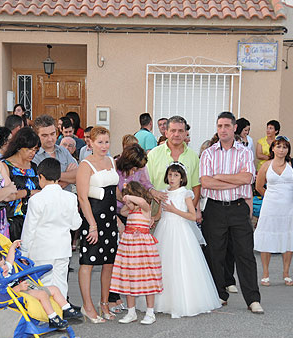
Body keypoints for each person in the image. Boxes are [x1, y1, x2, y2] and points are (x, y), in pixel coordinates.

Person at [200, 112, 263, 313]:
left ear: (235, 128)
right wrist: (233, 180)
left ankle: (253, 299)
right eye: (220, 126)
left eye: (227, 125)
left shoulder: (244, 152)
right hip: (215, 208)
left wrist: (219, 176)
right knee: (215, 253)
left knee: (245, 254)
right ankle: (219, 295)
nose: (223, 130)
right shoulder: (209, 153)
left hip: (238, 208)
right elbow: (206, 182)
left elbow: (247, 178)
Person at [154, 162, 221, 318]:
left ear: (182, 177)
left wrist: (174, 210)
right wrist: (151, 218)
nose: (172, 178)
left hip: (180, 230)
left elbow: (192, 216)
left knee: (181, 264)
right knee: (164, 264)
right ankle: (163, 301)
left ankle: (185, 301)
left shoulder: (185, 193)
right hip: (164, 229)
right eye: (170, 175)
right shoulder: (163, 193)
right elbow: (159, 215)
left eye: (176, 175)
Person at [21, 158, 82, 299]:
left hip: (41, 250)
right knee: (61, 285)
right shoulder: (70, 197)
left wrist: (24, 253)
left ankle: (47, 311)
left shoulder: (36, 200)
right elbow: (76, 224)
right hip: (62, 249)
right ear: (58, 176)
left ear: (41, 177)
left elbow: (29, 230)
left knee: (43, 286)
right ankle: (61, 310)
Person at [0, 240, 81, 329]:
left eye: (4, 263)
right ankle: (52, 318)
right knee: (42, 294)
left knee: (54, 289)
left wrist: (13, 247)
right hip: (18, 294)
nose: (4, 267)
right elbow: (4, 296)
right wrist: (18, 288)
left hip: (27, 287)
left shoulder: (7, 270)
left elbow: (10, 259)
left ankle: (66, 309)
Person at [76, 126, 119, 323]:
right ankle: (88, 306)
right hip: (93, 218)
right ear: (91, 143)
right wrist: (92, 226)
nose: (104, 146)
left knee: (109, 263)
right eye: (100, 142)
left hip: (110, 218)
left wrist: (127, 202)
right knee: (88, 262)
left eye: (106, 142)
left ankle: (104, 303)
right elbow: (82, 198)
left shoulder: (111, 161)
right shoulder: (85, 165)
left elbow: (115, 191)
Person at [110, 182, 162, 325]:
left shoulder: (145, 208)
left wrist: (130, 197)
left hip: (142, 248)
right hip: (129, 247)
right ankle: (131, 312)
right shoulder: (131, 211)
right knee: (129, 277)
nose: (127, 203)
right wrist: (128, 202)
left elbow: (142, 202)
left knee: (147, 277)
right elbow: (122, 212)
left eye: (129, 198)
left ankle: (150, 312)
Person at [253, 136, 293, 286]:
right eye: (278, 146)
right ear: (273, 148)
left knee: (287, 237)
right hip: (270, 207)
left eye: (285, 147)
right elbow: (258, 186)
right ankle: (265, 273)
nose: (281, 150)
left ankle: (286, 273)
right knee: (267, 237)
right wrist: (269, 196)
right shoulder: (266, 165)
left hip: (289, 206)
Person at [147, 115, 201, 218]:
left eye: (180, 131)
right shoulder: (153, 154)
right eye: (173, 131)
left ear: (186, 134)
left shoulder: (193, 156)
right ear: (166, 133)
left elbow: (196, 186)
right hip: (158, 209)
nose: (176, 134)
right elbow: (145, 183)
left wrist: (190, 210)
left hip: (184, 210)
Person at [2, 127, 41, 241]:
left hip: (33, 219)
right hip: (12, 221)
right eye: (29, 149)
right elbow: (5, 195)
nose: (33, 153)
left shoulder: (34, 167)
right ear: (19, 147)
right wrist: (29, 192)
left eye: (35, 150)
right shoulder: (5, 166)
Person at [32, 115, 78, 191]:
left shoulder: (64, 151)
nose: (50, 139)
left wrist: (51, 177)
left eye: (52, 134)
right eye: (44, 135)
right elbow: (41, 185)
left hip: (68, 197)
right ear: (37, 136)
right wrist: (68, 177)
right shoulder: (33, 156)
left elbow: (77, 176)